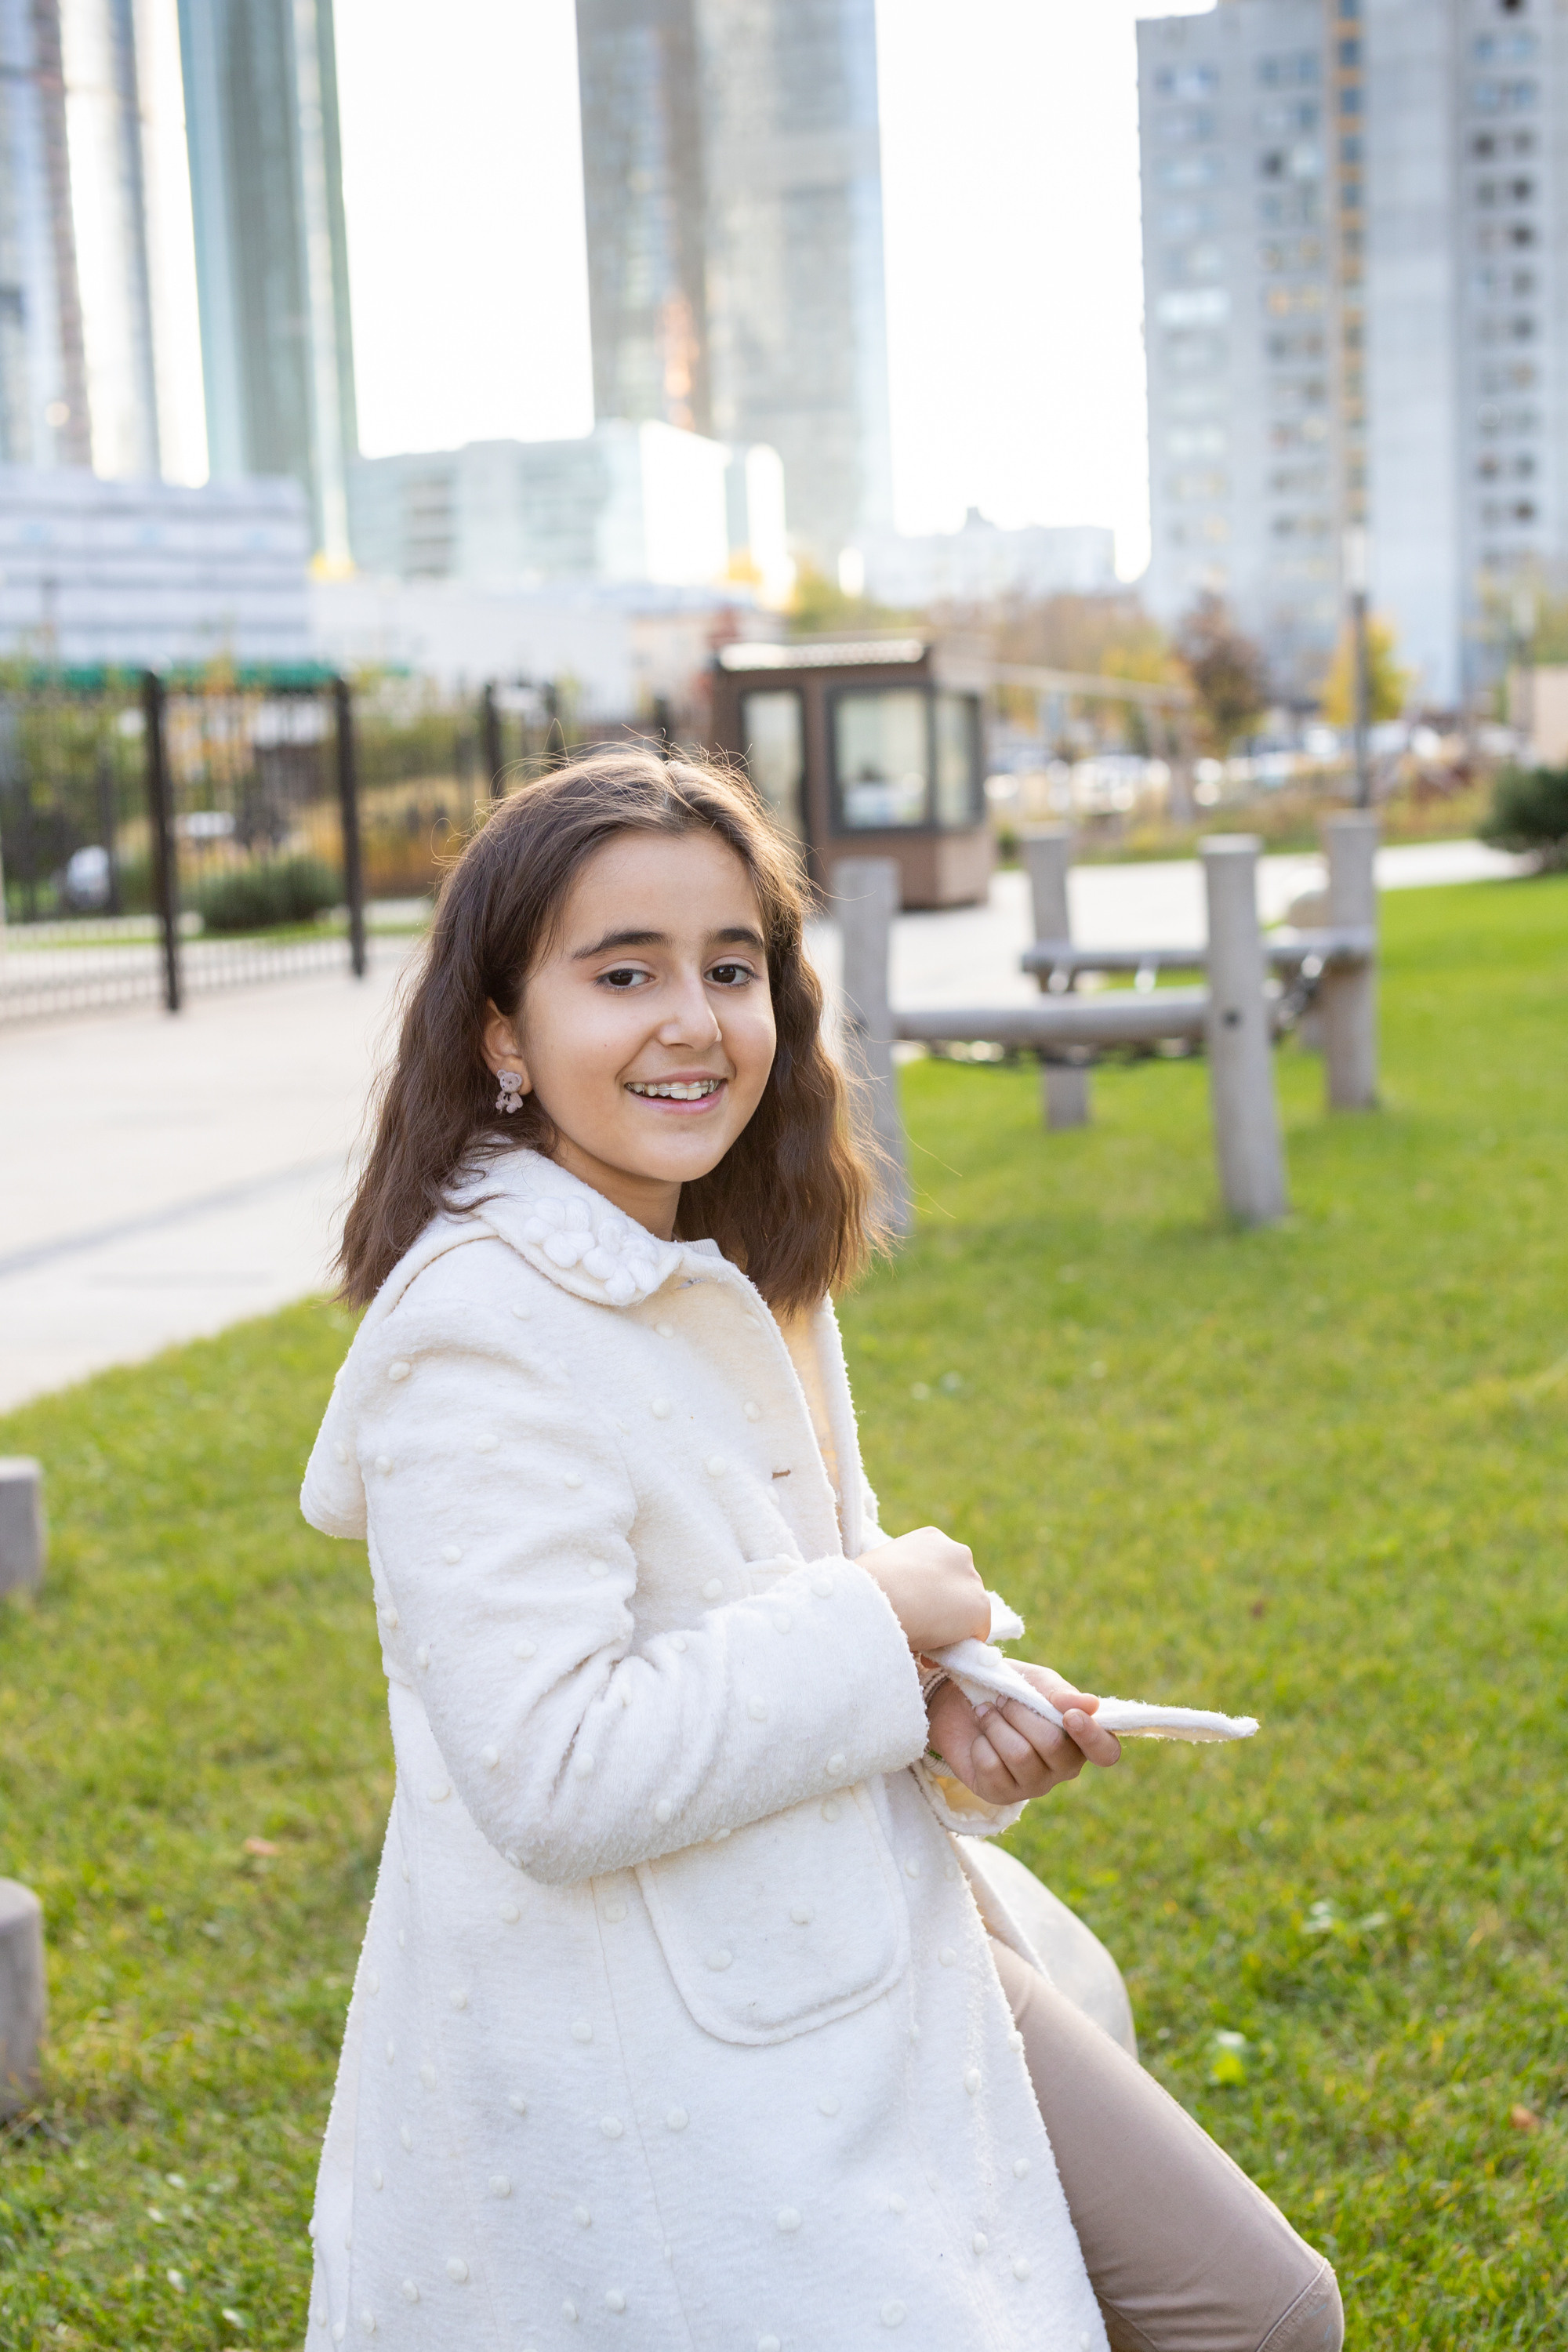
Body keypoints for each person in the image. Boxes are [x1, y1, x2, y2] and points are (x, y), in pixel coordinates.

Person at [299, 749, 1343, 2352]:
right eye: (621, 971)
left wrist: (937, 1698)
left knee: (1261, 2304)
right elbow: (552, 1771)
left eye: (732, 967)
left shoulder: (728, 1258)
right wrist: (876, 1616)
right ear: (501, 1029)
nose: (693, 1018)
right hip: (666, 2051)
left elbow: (759, 1630)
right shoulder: (480, 1336)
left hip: (869, 1944)